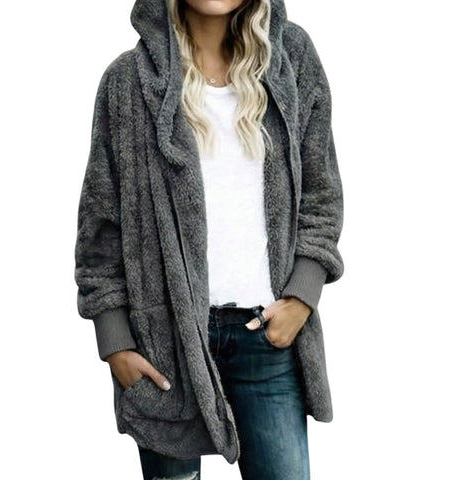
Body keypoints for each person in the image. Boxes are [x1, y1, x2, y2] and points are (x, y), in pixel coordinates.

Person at [74, 0, 344, 479]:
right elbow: (100, 227)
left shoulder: (291, 59)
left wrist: (302, 297)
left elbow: (321, 196)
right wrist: (114, 342)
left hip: (266, 339)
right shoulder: (127, 83)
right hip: (164, 346)